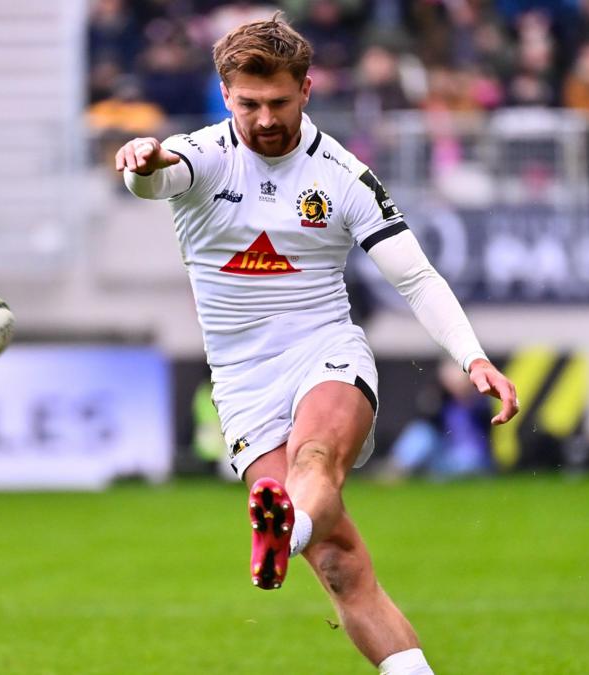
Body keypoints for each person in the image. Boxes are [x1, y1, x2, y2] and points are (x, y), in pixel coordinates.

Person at [115, 14, 518, 674]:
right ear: (225, 93)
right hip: (243, 383)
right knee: (341, 565)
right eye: (249, 103)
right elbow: (156, 177)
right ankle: (296, 537)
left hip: (326, 352)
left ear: (307, 88)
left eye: (279, 101)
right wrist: (140, 161)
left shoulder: (342, 176)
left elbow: (414, 275)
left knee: (318, 458)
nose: (265, 118)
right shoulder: (203, 155)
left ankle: (282, 529)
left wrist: (472, 357)